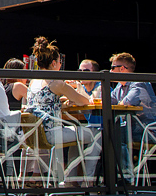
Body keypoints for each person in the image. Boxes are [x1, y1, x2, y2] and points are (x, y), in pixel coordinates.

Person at [25, 37, 100, 186]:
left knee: (77, 136)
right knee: (96, 135)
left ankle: (70, 180)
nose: (60, 65)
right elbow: (85, 101)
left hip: (35, 134)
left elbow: (44, 102)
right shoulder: (57, 82)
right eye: (59, 62)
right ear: (54, 63)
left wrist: (61, 101)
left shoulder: (34, 81)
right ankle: (87, 182)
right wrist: (78, 84)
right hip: (52, 133)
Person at [109, 52, 156, 139]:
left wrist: (118, 103)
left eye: (113, 68)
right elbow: (108, 101)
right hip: (134, 129)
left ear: (122, 69)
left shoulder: (139, 83)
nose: (110, 71)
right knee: (110, 131)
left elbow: (128, 102)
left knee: (116, 134)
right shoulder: (119, 86)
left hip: (151, 131)